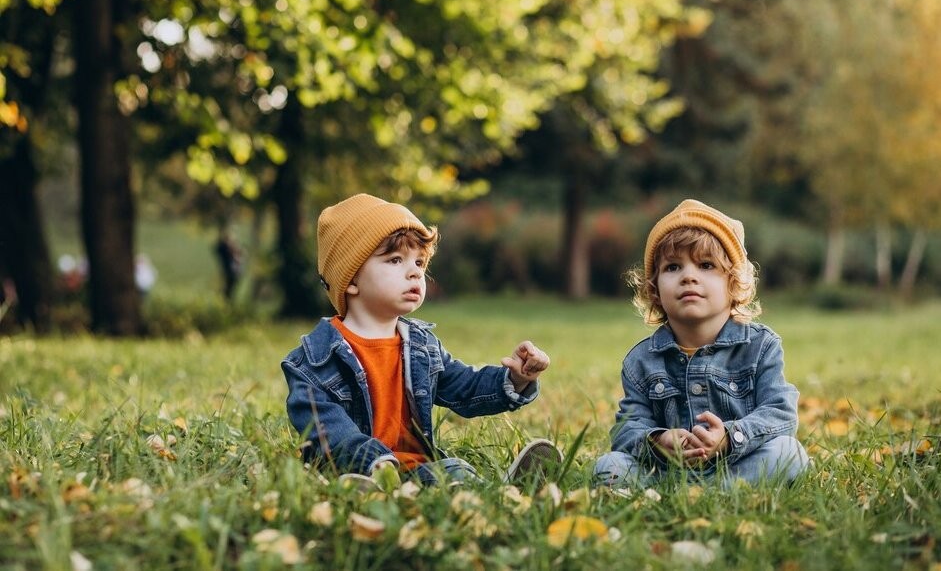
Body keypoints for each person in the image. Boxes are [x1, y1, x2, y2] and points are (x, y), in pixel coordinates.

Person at [281, 193, 561, 488]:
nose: (414, 272)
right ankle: (490, 492)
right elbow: (323, 425)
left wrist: (515, 379)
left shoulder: (420, 346)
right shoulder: (314, 359)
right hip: (358, 470)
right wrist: (374, 461)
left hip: (417, 471)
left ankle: (501, 491)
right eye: (395, 260)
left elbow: (464, 388)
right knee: (448, 475)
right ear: (350, 279)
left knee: (452, 470)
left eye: (419, 262)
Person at [594, 199, 809, 489]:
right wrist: (658, 440)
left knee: (788, 453)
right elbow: (626, 428)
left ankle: (711, 491)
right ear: (654, 289)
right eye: (673, 267)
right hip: (668, 472)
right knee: (610, 466)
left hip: (739, 465)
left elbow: (780, 412)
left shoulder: (761, 347)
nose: (689, 276)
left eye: (706, 265)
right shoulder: (641, 361)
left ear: (733, 283)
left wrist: (731, 437)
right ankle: (691, 490)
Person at [215, 229, 242, 300]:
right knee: (228, 289)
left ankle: (225, 301)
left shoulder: (230, 251)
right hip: (230, 272)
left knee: (229, 289)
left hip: (232, 272)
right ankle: (225, 301)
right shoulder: (224, 250)